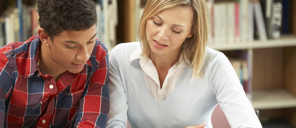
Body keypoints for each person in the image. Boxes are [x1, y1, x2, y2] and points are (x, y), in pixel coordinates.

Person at [106, 0, 262, 128]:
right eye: (157, 22)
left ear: (191, 31)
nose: (162, 36)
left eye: (176, 30)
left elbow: (248, 124)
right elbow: (114, 125)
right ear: (146, 16)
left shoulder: (215, 64)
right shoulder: (120, 58)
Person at [0, 0, 109, 127]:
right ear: (45, 37)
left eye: (90, 41)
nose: (84, 56)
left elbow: (91, 123)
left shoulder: (97, 57)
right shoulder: (2, 65)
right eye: (71, 46)